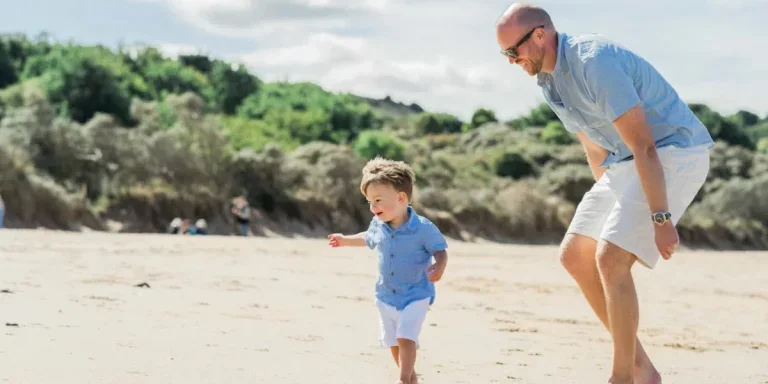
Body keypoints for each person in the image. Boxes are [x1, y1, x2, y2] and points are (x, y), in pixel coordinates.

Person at [495, 3, 714, 384]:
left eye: (514, 51)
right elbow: (593, 143)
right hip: (627, 161)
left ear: (541, 35)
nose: (511, 61)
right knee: (575, 256)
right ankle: (642, 370)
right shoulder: (547, 81)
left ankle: (621, 378)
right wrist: (608, 201)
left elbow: (646, 145)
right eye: (505, 55)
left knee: (611, 258)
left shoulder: (594, 62)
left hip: (675, 152)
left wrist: (660, 218)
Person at [327, 156, 449, 384]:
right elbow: (367, 237)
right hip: (386, 295)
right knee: (393, 342)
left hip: (416, 294)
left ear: (401, 198)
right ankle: (411, 380)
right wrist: (344, 240)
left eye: (378, 200)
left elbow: (440, 249)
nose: (373, 207)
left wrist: (439, 265)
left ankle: (403, 380)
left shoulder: (423, 228)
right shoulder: (378, 226)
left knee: (406, 336)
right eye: (369, 202)